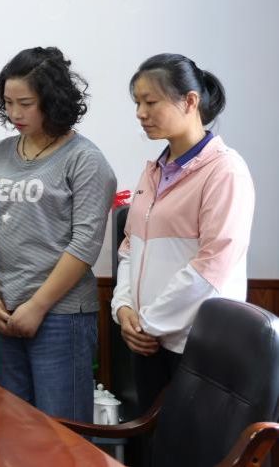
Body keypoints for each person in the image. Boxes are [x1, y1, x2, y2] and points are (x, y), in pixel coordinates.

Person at [0, 47, 115, 422]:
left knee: (61, 433)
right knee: (11, 427)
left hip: (61, 316)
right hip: (4, 311)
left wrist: (37, 306)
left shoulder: (84, 159)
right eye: (8, 103)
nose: (14, 114)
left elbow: (85, 244)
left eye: (25, 103)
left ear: (52, 101)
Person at [112, 53, 254, 409]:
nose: (140, 113)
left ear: (190, 101)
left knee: (194, 440)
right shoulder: (153, 171)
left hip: (199, 345)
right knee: (150, 436)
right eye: (137, 103)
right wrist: (123, 308)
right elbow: (129, 247)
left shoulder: (225, 171)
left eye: (150, 102)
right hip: (147, 341)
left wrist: (149, 322)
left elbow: (213, 266)